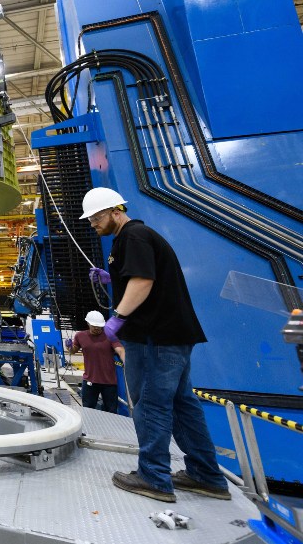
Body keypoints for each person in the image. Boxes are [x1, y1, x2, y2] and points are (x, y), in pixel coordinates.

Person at [82, 187, 229, 503]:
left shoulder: (132, 237)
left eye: (95, 217)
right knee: (182, 405)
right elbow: (144, 275)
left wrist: (117, 318)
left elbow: (143, 281)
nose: (92, 223)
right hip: (173, 336)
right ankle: (206, 475)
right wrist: (111, 278)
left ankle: (154, 477)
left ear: (115, 212)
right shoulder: (138, 238)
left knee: (150, 404)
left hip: (153, 339)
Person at [65, 310, 124, 413]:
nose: (97, 329)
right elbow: (73, 351)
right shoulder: (80, 336)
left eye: (99, 327)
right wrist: (69, 346)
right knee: (88, 411)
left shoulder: (110, 335)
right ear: (88, 323)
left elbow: (120, 349)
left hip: (109, 382)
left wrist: (126, 360)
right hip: (90, 380)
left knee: (111, 412)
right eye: (94, 326)